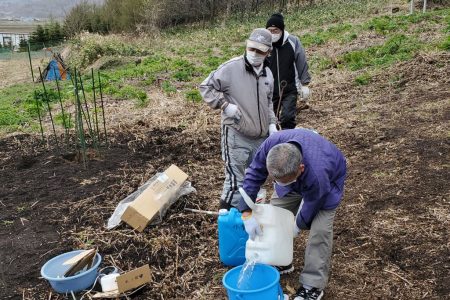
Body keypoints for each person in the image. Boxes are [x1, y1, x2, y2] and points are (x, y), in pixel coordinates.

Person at [238, 128, 347, 300]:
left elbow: (313, 202)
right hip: (294, 177)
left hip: (328, 182)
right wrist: (246, 212)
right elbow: (254, 173)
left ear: (300, 168)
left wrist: (297, 225)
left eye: (284, 180)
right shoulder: (271, 146)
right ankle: (282, 260)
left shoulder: (319, 174)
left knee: (320, 232)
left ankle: (312, 285)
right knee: (276, 214)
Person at [199, 28, 278, 209]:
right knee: (236, 183)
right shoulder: (231, 68)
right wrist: (224, 106)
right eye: (251, 49)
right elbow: (206, 87)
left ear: (268, 52)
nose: (254, 54)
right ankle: (227, 221)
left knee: (254, 181)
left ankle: (247, 219)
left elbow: (268, 104)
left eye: (260, 51)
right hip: (237, 134)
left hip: (260, 137)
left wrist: (272, 124)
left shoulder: (268, 75)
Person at [266, 13, 311, 129]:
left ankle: (288, 138)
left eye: (275, 30)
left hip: (290, 88)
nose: (272, 33)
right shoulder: (264, 44)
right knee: (270, 121)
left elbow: (301, 61)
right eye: (269, 30)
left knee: (287, 118)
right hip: (270, 90)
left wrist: (305, 84)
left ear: (282, 30)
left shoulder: (292, 41)